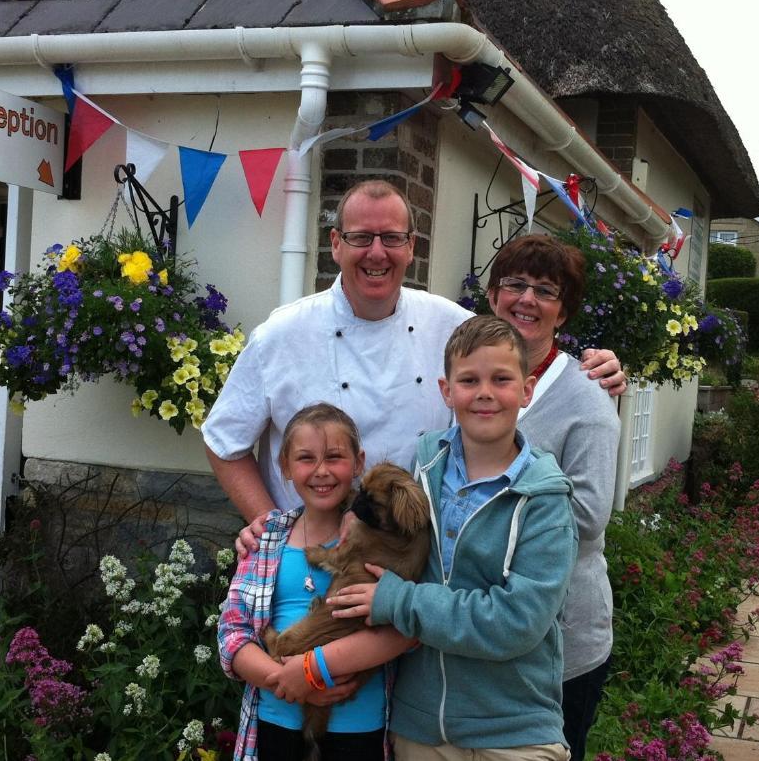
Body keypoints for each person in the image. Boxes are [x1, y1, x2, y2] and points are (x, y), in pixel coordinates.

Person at [202, 179, 625, 534]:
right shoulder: (280, 334)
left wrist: (595, 367)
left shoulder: (451, 324)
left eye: (391, 239)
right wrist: (273, 526)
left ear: (411, 247)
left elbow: (521, 341)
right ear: (336, 244)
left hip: (415, 561)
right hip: (307, 553)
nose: (376, 253)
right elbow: (224, 443)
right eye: (360, 238)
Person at [311, 316, 578, 760]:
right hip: (420, 727)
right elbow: (364, 518)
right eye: (469, 380)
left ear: (527, 390)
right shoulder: (421, 467)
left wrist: (399, 602)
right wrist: (269, 530)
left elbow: (517, 622)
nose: (485, 393)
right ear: (446, 391)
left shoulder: (545, 499)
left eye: (502, 379)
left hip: (514, 730)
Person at [486, 234, 621, 761]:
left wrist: (480, 505)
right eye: (515, 284)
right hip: (480, 627)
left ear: (562, 312)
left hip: (562, 637)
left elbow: (588, 517)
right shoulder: (471, 377)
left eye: (545, 290)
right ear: (494, 295)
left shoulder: (586, 395)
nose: (526, 299)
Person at [218, 403, 397, 761]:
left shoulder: (385, 544)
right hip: (275, 720)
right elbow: (232, 634)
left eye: (334, 457)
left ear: (358, 463)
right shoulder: (265, 539)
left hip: (358, 726)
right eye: (305, 458)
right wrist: (287, 680)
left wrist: (313, 672)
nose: (321, 471)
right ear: (284, 466)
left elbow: (402, 630)